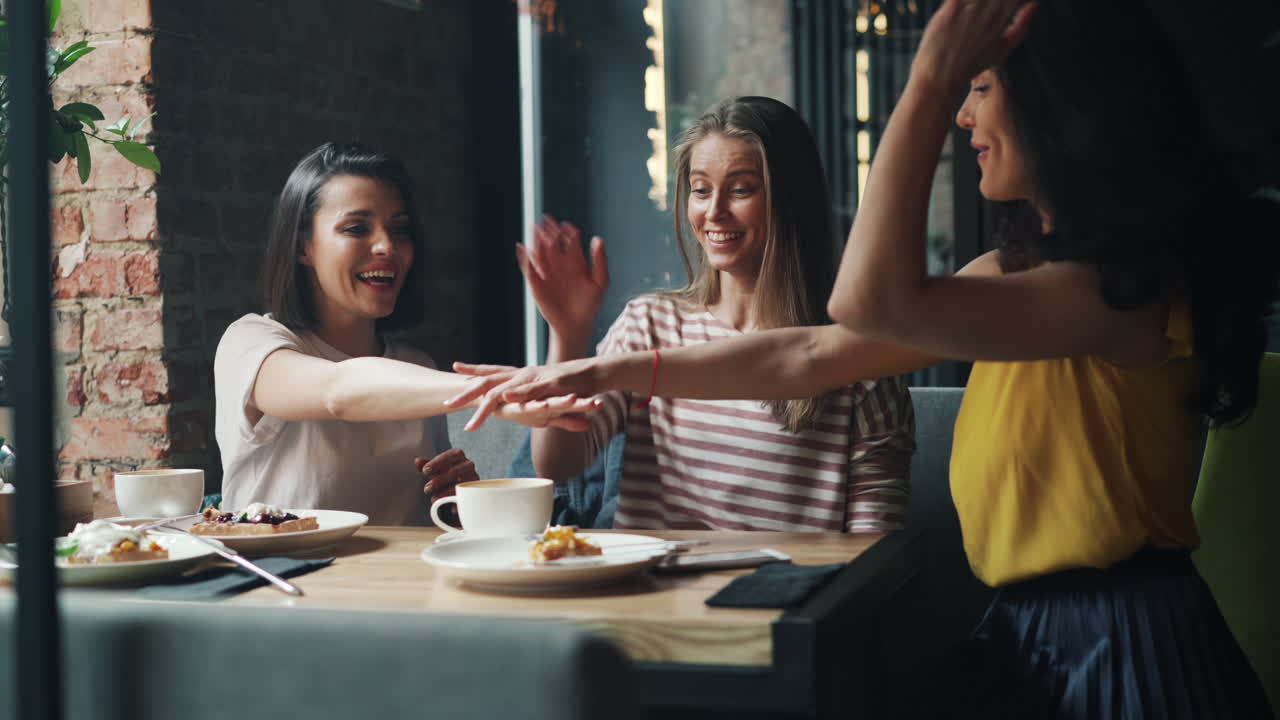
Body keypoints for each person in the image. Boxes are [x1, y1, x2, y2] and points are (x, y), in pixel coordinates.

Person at [451, 2, 1278, 716]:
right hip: (1032, 630)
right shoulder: (1015, 282)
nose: (963, 115)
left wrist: (926, 79)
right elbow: (807, 356)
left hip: (1120, 643)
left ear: (1060, 108)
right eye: (962, 90)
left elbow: (858, 309)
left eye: (980, 90)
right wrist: (599, 368)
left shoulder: (1115, 292)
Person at [516, 97, 914, 533]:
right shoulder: (650, 323)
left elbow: (873, 547)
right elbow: (559, 465)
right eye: (701, 190)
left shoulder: (855, 359)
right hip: (654, 595)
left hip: (786, 595)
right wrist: (568, 335)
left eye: (741, 189)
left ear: (791, 199)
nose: (713, 211)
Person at [214, 142, 597, 525]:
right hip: (281, 578)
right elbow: (338, 391)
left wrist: (458, 497)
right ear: (303, 246)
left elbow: (425, 528)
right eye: (356, 228)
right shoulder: (251, 343)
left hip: (396, 582)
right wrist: (494, 394)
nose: (387, 246)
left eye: (400, 230)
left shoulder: (415, 366)